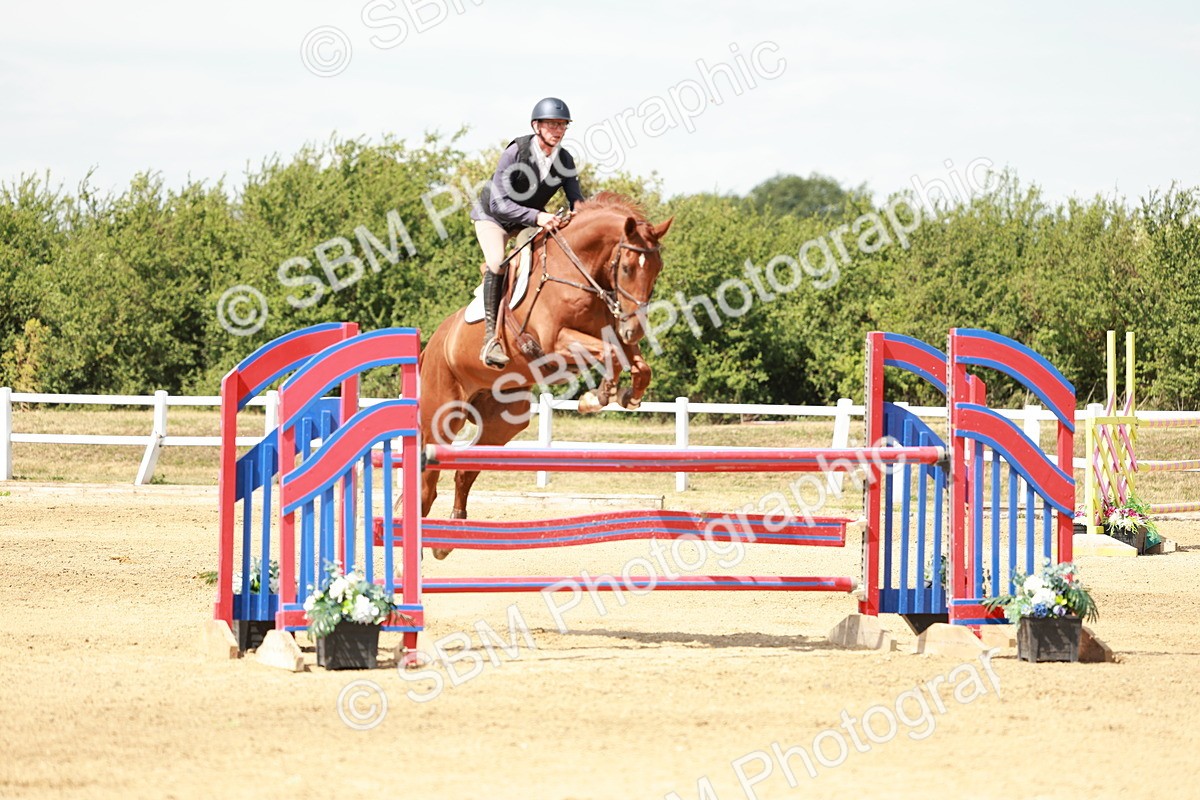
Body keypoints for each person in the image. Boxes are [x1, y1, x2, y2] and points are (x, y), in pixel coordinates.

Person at [470, 96, 585, 368]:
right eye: (552, 124)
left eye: (562, 125)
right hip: (493, 216)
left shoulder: (565, 159)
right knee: (498, 262)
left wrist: (583, 217)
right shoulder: (516, 152)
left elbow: (576, 198)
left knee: (542, 259)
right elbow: (499, 203)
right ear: (536, 126)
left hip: (528, 220)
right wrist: (539, 216)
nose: (558, 130)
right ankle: (491, 339)